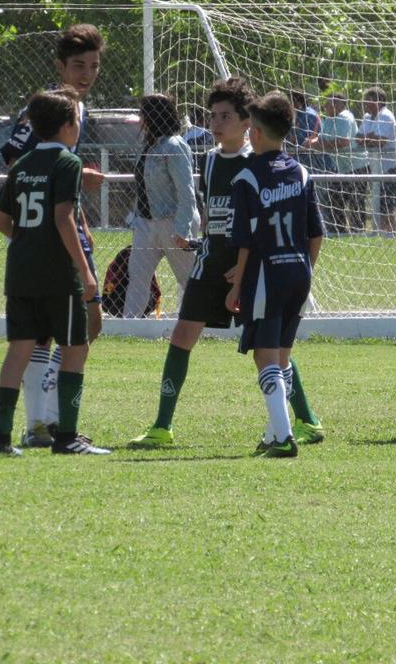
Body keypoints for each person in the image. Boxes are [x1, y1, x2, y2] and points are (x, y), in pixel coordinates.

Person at [128, 79, 325, 449]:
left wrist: (244, 268)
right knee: (182, 336)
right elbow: (216, 217)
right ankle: (162, 426)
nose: (216, 123)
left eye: (225, 116)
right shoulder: (210, 159)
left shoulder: (260, 163)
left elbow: (263, 227)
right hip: (210, 263)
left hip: (251, 270)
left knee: (270, 350)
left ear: (247, 123)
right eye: (212, 116)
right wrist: (199, 240)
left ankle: (305, 419)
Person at [0, 23, 106, 448]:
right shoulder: (48, 109)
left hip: (59, 229)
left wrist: (80, 217)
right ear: (60, 66)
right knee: (73, 327)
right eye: (78, 65)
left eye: (94, 65)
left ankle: (45, 420)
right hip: (48, 238)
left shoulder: (75, 109)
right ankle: (45, 422)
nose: (87, 73)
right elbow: (14, 158)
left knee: (81, 326)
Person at [225, 91, 324, 458]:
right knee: (281, 357)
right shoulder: (301, 172)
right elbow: (317, 234)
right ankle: (272, 434)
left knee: (265, 358)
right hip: (299, 271)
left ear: (257, 133)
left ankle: (283, 438)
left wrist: (236, 284)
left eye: (250, 128)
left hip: (267, 275)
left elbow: (245, 242)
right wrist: (305, 270)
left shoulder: (247, 178)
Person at [123, 93, 199, 318]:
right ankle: (130, 326)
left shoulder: (175, 146)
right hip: (146, 223)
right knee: (137, 275)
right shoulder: (148, 146)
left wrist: (182, 230)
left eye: (143, 114)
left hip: (173, 221)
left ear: (153, 116)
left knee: (188, 279)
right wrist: (135, 217)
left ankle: (201, 323)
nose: (140, 120)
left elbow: (186, 192)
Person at [357, 87, 396, 233]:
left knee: (386, 207)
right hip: (376, 168)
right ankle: (381, 233)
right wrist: (370, 137)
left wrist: (368, 138)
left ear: (379, 101)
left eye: (368, 100)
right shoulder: (367, 117)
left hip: (391, 168)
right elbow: (358, 138)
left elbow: (380, 142)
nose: (365, 103)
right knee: (378, 205)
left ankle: (389, 235)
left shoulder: (385, 115)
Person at [316, 94, 362, 233]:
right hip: (341, 168)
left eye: (328, 104)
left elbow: (342, 142)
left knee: (356, 203)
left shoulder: (345, 117)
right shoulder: (329, 119)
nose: (325, 106)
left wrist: (318, 145)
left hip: (357, 167)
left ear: (337, 105)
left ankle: (358, 233)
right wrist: (312, 143)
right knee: (334, 199)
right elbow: (321, 139)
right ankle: (339, 232)